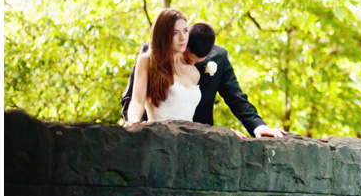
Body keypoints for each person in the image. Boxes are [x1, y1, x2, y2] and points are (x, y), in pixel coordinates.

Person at [122, 16, 284, 138]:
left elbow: (236, 98)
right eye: (185, 56)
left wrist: (259, 127)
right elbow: (132, 98)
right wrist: (141, 131)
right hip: (157, 136)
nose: (184, 61)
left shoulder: (218, 59)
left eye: (192, 60)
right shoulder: (152, 54)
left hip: (200, 139)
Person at [125, 8, 202, 125]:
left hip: (188, 138)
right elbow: (137, 101)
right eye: (175, 33)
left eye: (185, 31)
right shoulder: (147, 61)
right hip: (159, 136)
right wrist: (133, 119)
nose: (182, 37)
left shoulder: (194, 72)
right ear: (162, 36)